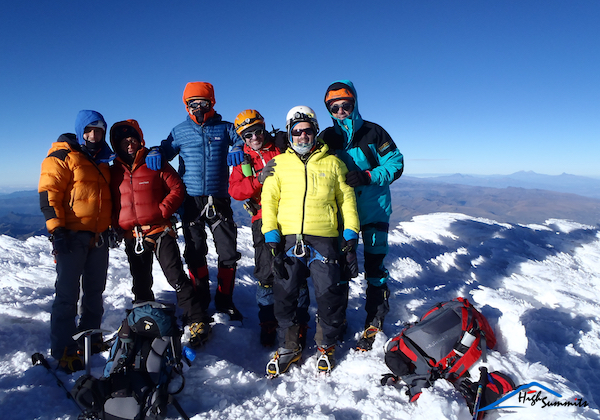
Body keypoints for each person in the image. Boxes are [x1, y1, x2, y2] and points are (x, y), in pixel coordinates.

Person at [261, 106, 360, 375]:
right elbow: (268, 202)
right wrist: (271, 236)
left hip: (324, 237)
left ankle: (325, 344)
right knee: (285, 296)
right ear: (290, 134)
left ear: (315, 131)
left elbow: (347, 201)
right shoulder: (278, 165)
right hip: (288, 238)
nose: (302, 136)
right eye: (296, 131)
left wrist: (351, 233)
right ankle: (289, 347)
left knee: (329, 294)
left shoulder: (334, 163)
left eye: (307, 130)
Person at [145, 82, 245, 342]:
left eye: (204, 103)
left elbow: (241, 139)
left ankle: (224, 300)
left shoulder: (225, 129)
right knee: (195, 250)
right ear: (186, 106)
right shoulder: (180, 131)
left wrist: (238, 148)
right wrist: (155, 151)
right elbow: (165, 149)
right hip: (190, 200)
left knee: (228, 251)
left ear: (212, 103)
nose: (199, 108)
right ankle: (201, 299)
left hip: (219, 198)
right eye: (193, 104)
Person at [320, 80, 404, 351]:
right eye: (335, 107)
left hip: (375, 209)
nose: (341, 110)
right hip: (343, 215)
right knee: (341, 267)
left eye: (346, 105)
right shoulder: (327, 138)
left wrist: (368, 176)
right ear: (329, 110)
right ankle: (339, 319)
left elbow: (396, 163)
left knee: (375, 266)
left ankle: (375, 318)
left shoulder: (374, 132)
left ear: (354, 103)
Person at [109, 119, 209, 347]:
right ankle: (143, 318)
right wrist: (113, 225)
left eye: (132, 137)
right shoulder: (113, 171)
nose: (129, 142)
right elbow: (109, 201)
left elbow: (177, 188)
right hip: (132, 235)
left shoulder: (154, 162)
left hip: (159, 230)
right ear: (116, 143)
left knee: (175, 276)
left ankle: (196, 318)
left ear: (140, 138)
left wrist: (162, 210)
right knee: (140, 281)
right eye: (123, 139)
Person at [39, 110, 114, 373]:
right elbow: (49, 196)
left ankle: (90, 338)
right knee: (67, 295)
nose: (95, 135)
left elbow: (107, 198)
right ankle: (64, 350)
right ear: (81, 130)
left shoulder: (104, 159)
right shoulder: (62, 156)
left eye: (100, 130)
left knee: (95, 291)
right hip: (70, 237)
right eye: (90, 129)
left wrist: (110, 225)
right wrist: (56, 231)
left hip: (99, 237)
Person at [228, 110, 310, 347]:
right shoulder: (242, 158)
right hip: (262, 218)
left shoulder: (281, 146)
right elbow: (236, 190)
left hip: (290, 214)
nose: (254, 138)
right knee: (265, 273)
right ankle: (268, 323)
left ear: (264, 129)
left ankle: (300, 323)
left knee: (297, 271)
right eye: (248, 135)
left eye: (258, 131)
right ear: (242, 137)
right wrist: (258, 180)